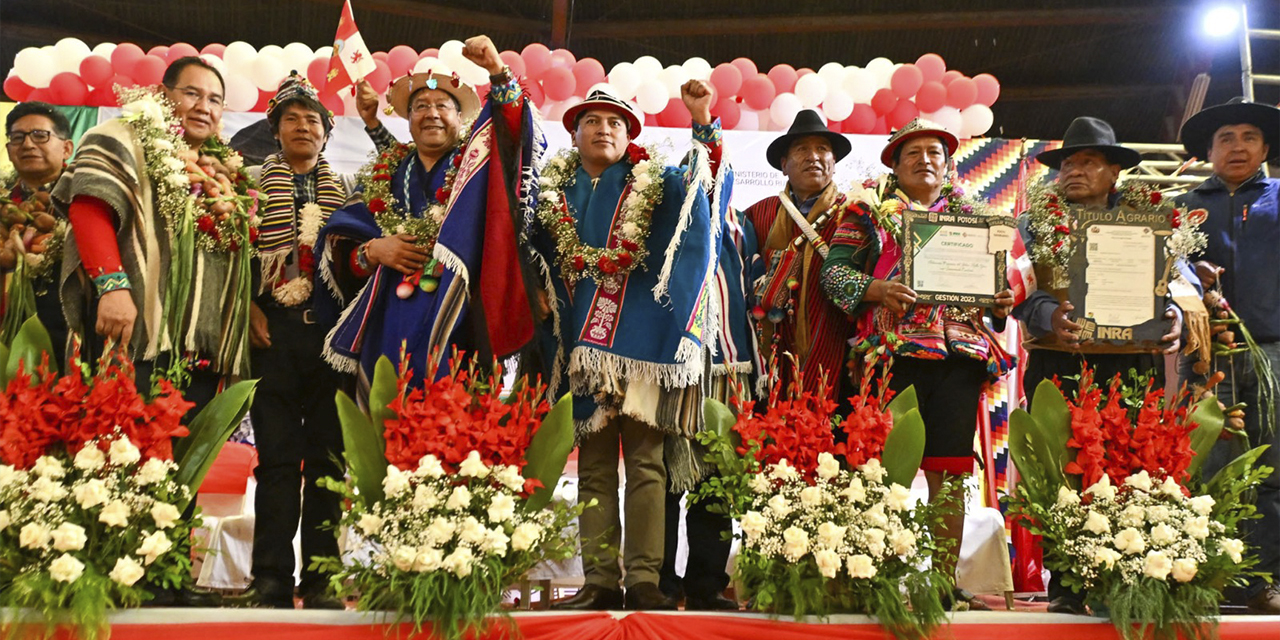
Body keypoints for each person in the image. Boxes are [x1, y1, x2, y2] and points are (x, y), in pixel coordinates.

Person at [53, 56, 259, 607]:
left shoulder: (225, 168)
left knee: (182, 464)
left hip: (200, 346)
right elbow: (91, 205)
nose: (204, 107)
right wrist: (113, 286)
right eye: (192, 94)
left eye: (215, 100)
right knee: (124, 454)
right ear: (163, 95)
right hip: (138, 332)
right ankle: (113, 574)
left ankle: (165, 572)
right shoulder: (122, 134)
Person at [536, 83, 727, 611]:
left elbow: (702, 188)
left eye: (615, 123)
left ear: (631, 135)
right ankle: (598, 580)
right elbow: (532, 250)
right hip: (579, 349)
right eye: (592, 121)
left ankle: (644, 580)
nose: (604, 130)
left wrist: (702, 117)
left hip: (643, 348)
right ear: (574, 133)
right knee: (595, 468)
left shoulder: (656, 182)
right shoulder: (551, 190)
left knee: (647, 464)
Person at [820, 118, 1015, 611]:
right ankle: (877, 573)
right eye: (913, 153)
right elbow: (834, 273)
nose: (925, 160)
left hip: (960, 357)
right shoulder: (864, 212)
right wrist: (877, 289)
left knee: (950, 469)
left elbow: (998, 290)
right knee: (888, 470)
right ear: (894, 163)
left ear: (947, 163)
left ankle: (941, 581)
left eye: (934, 152)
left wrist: (1000, 303)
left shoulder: (975, 218)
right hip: (893, 354)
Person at [1012, 116, 1189, 614]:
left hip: (1132, 362)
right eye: (1067, 162)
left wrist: (1173, 314)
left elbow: (1182, 283)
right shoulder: (1032, 223)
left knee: (1127, 463)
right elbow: (1016, 291)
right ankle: (1066, 580)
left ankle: (1127, 572)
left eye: (1087, 161)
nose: (1073, 171)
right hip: (1058, 360)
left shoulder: (1156, 222)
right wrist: (1048, 314)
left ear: (1114, 171)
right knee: (1058, 465)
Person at [316, 35, 539, 390]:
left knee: (452, 432)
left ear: (459, 117)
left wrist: (497, 71)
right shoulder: (385, 172)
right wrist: (375, 251)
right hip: (388, 317)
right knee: (381, 427)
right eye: (420, 106)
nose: (431, 113)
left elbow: (511, 128)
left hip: (460, 319)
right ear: (408, 120)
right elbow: (343, 250)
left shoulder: (478, 167)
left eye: (442, 106)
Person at [235, 72, 351, 610]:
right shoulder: (249, 185)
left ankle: (324, 578)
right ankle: (272, 578)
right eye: (291, 120)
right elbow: (231, 258)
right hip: (272, 335)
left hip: (333, 337)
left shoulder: (348, 191)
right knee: (277, 460)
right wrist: (248, 307)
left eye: (313, 121)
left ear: (326, 134)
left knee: (329, 459)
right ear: (274, 131)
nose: (303, 127)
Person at [1175, 97, 1280, 614]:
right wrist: (1191, 279)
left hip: (1272, 354)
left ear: (1264, 147)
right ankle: (1208, 576)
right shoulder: (1182, 209)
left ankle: (1265, 579)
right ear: (1209, 151)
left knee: (1271, 466)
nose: (1237, 147)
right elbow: (1161, 274)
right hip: (1202, 355)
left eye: (1248, 137)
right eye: (1225, 139)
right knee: (1206, 464)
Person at [744, 109, 855, 404]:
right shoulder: (758, 214)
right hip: (771, 344)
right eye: (802, 149)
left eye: (822, 149)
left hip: (838, 340)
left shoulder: (857, 214)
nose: (814, 156)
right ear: (784, 165)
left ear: (834, 163)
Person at [2, 102, 74, 360]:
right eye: (17, 137)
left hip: (70, 332)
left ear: (67, 148)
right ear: (9, 151)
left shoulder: (87, 198)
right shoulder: (3, 198)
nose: (28, 144)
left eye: (40, 135)